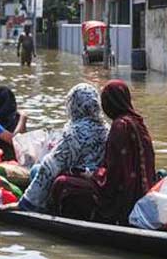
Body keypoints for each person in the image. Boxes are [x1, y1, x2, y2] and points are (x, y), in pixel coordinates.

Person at [50, 80, 156, 224]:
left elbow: (113, 178)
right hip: (143, 193)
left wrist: (90, 175)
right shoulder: (138, 122)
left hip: (122, 201)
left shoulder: (120, 127)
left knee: (61, 183)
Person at [15, 83, 109, 212]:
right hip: (96, 181)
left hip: (79, 181)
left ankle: (41, 208)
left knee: (36, 169)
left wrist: (25, 203)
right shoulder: (106, 128)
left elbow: (50, 166)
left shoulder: (75, 132)